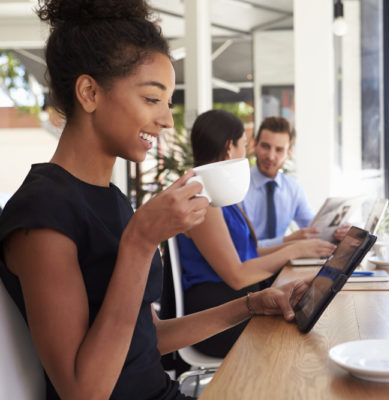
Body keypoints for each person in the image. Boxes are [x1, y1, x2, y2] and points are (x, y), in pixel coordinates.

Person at [0, 2, 309, 399]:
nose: (167, 120)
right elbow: (83, 391)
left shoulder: (110, 200)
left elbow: (150, 340)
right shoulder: (41, 214)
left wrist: (252, 304)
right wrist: (141, 241)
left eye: (167, 103)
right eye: (152, 99)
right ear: (90, 92)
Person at [178, 109, 335, 357]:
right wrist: (292, 249)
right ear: (230, 148)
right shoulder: (203, 198)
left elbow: (247, 253)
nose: (246, 154)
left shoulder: (218, 192)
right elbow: (238, 276)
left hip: (234, 303)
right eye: (243, 145)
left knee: (311, 315)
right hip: (215, 316)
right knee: (302, 329)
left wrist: (295, 248)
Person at [241, 117, 349, 247]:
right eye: (265, 146)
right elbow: (241, 247)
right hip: (249, 264)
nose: (270, 156)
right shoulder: (239, 188)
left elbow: (314, 229)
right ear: (255, 144)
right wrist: (287, 241)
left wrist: (337, 232)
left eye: (279, 150)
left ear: (289, 153)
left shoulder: (293, 188)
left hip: (285, 263)